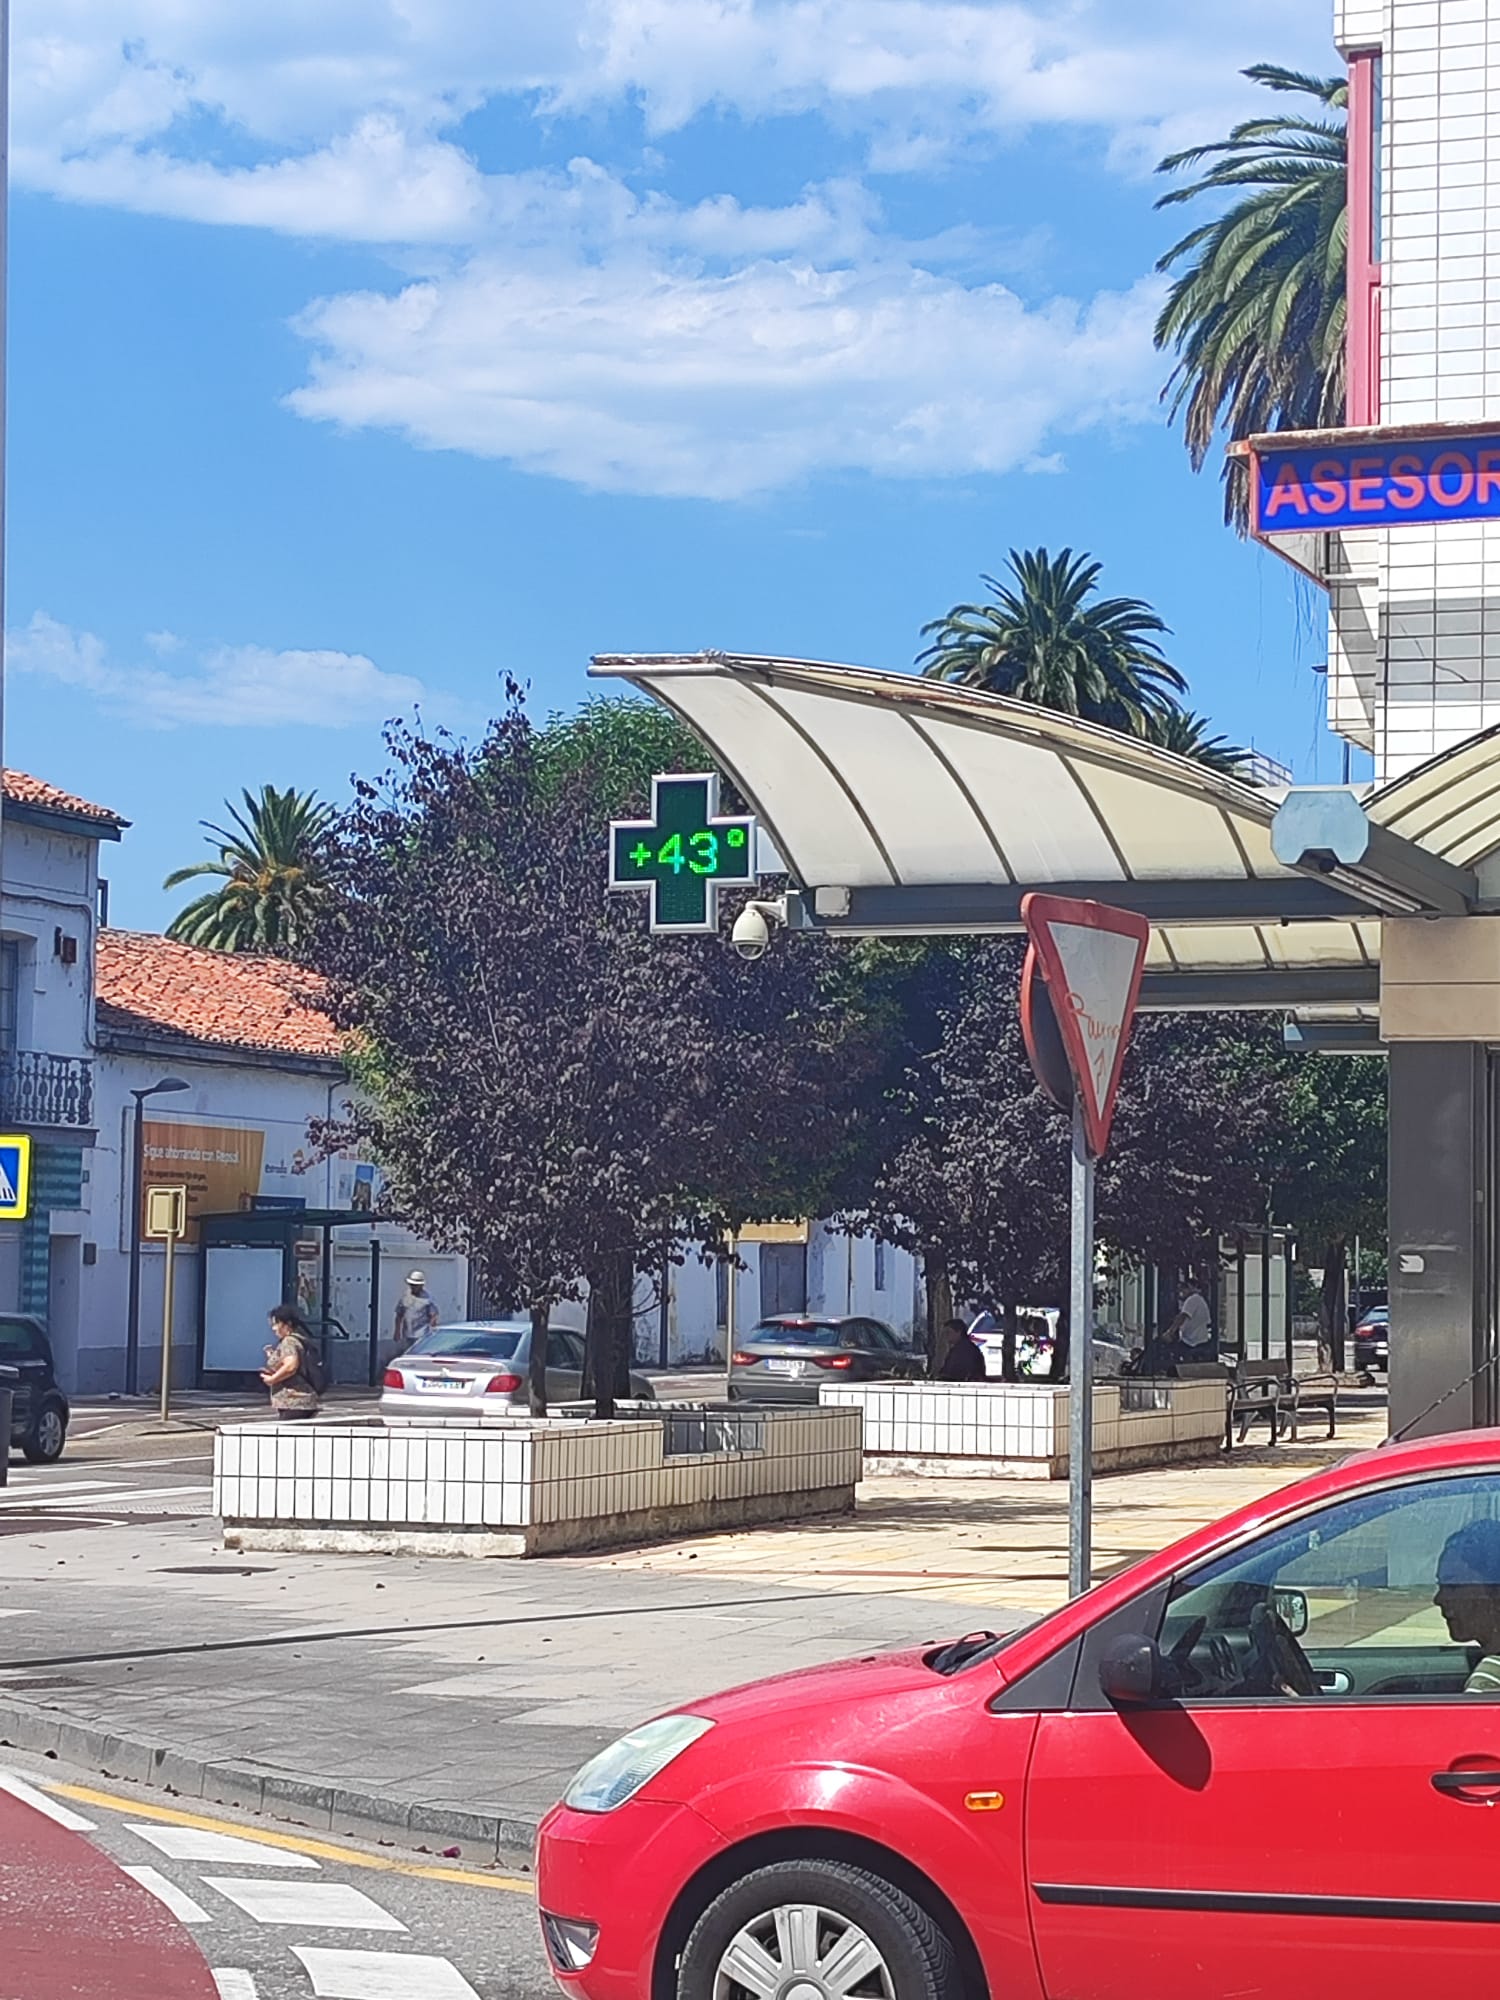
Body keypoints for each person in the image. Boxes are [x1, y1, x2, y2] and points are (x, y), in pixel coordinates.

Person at [1434, 1520, 1500, 1692]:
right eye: (1441, 1586)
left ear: (1496, 1592)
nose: (1439, 1599)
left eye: (1453, 1586)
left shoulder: (1489, 1681)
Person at [260, 1304, 321, 1421]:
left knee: (285, 1435)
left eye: (276, 1324)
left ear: (287, 1324)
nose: (273, 1328)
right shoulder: (301, 1339)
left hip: (294, 1400)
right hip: (304, 1400)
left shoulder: (289, 1341)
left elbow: (291, 1366)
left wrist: (272, 1379)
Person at [1165, 1279, 1214, 1363]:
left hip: (1192, 1341)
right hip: (1198, 1339)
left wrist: (1170, 1332)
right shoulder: (1199, 1300)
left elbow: (1183, 1316)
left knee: (1173, 1354)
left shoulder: (1193, 1299)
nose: (1181, 1292)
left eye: (1183, 1289)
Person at [394, 1270, 440, 1350]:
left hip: (422, 1334)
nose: (413, 1287)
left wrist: (431, 1331)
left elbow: (434, 1316)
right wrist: (397, 1331)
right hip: (408, 1334)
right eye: (411, 1285)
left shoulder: (428, 1298)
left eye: (415, 1285)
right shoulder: (405, 1296)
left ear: (421, 1285)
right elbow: (399, 1315)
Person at [938, 1317, 986, 1382]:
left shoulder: (966, 1350)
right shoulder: (956, 1349)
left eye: (948, 1332)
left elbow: (958, 1373)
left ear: (959, 1332)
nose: (946, 1336)